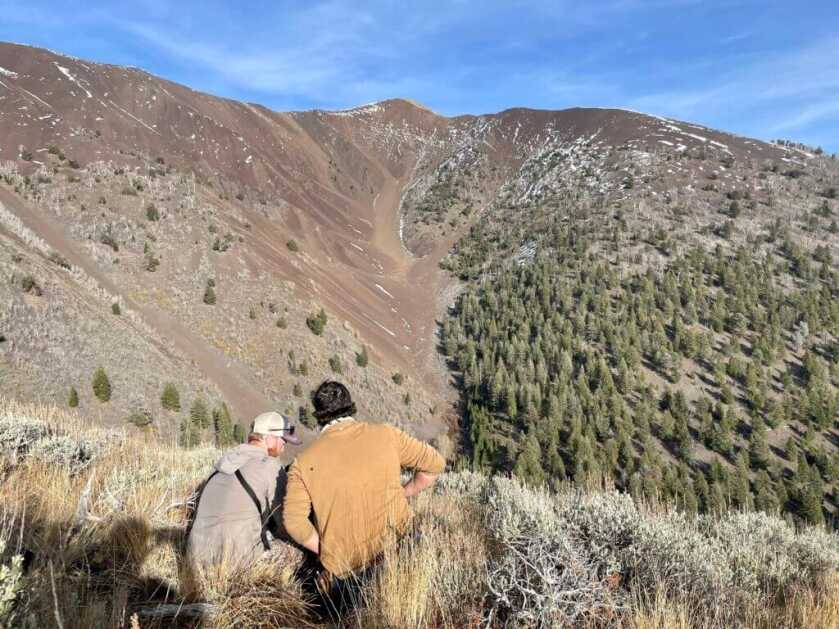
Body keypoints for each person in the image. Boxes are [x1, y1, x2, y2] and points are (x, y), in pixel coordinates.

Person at [283, 381, 445, 611]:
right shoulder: (386, 434)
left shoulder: (303, 462)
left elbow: (293, 522)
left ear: (318, 416)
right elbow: (434, 465)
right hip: (403, 552)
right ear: (351, 407)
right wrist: (404, 492)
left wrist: (326, 549)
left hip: (348, 575)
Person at [186, 410, 302, 571]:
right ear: (268, 438)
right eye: (283, 440)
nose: (284, 446)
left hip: (194, 561)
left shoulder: (224, 461)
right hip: (236, 566)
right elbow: (286, 524)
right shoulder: (270, 467)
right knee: (296, 552)